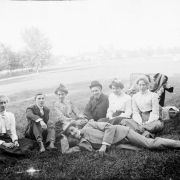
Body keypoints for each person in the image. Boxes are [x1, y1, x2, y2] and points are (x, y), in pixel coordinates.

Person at [61, 120, 180, 155]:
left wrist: (104, 146)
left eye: (72, 130)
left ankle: (177, 144)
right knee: (143, 150)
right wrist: (63, 138)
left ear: (76, 126)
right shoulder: (80, 144)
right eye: (69, 134)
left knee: (150, 144)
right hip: (118, 144)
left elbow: (110, 127)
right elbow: (65, 152)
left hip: (124, 133)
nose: (72, 133)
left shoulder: (90, 125)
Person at [0, 95, 34, 163]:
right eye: (1, 103)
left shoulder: (10, 115)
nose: (3, 105)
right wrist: (4, 144)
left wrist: (15, 141)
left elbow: (13, 131)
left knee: (28, 141)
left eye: (5, 102)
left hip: (7, 138)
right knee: (3, 147)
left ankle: (11, 151)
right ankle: (12, 153)